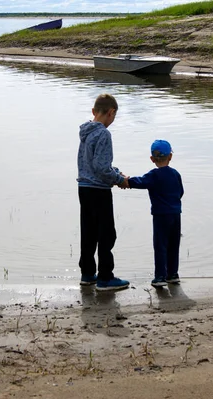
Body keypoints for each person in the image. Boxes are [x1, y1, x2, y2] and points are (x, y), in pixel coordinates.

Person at [77, 93, 130, 291]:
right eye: (113, 117)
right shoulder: (104, 134)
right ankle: (105, 277)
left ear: (93, 111)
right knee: (107, 233)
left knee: (88, 232)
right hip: (99, 190)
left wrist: (115, 172)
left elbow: (93, 164)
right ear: (111, 112)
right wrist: (119, 179)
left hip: (83, 188)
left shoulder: (85, 132)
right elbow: (101, 167)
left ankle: (88, 273)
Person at [124, 140, 184, 288]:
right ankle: (173, 274)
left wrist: (125, 181)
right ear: (170, 156)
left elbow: (140, 182)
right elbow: (181, 192)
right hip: (176, 214)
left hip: (160, 215)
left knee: (160, 245)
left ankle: (160, 277)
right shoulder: (175, 174)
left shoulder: (153, 175)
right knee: (173, 244)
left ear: (152, 159)